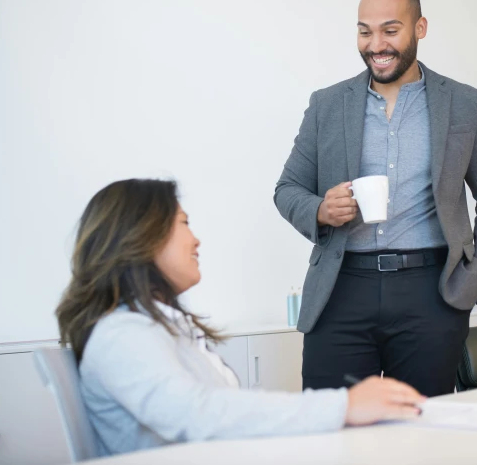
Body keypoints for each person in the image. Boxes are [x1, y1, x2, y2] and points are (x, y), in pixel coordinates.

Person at [55, 178, 424, 456]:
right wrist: (344, 405)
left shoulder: (157, 328)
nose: (196, 240)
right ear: (140, 237)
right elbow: (196, 413)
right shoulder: (121, 333)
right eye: (184, 224)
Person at [274, 0, 477, 397]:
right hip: (341, 290)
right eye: (365, 32)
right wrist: (319, 210)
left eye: (390, 30)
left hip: (432, 295)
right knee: (332, 429)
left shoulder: (462, 102)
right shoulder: (326, 105)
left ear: (420, 28)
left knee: (425, 433)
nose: (376, 45)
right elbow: (288, 188)